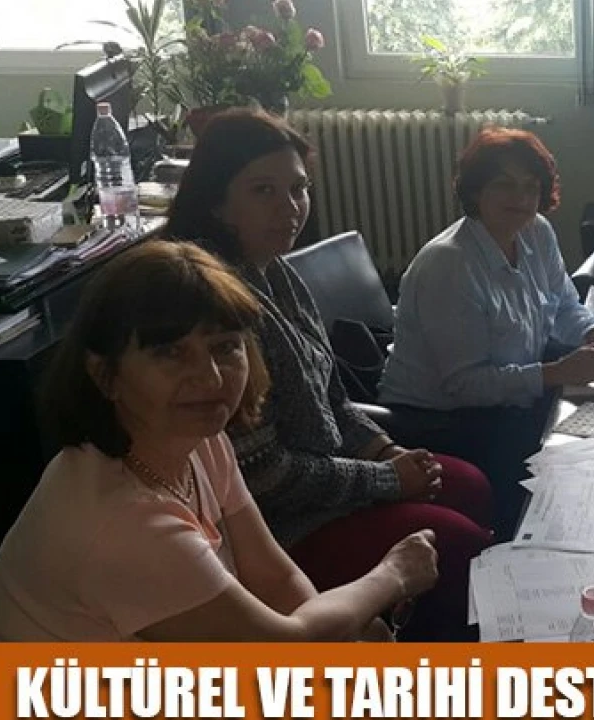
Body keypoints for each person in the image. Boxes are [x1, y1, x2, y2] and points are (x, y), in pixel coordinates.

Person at [0, 242, 436, 641]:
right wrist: (392, 576)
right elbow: (287, 647)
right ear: (105, 374)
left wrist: (343, 639)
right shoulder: (126, 526)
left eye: (225, 347)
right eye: (170, 353)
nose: (210, 379)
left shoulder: (198, 437)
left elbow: (276, 580)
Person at [164, 109, 491, 641]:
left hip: (330, 478)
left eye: (298, 189)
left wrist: (386, 451)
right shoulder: (213, 303)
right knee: (459, 546)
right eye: (263, 191)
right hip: (277, 526)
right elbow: (264, 476)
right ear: (218, 201)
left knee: (468, 485)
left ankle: (411, 628)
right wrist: (386, 480)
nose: (290, 208)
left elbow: (333, 398)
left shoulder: (278, 272)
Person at [377, 127, 594, 533]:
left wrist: (593, 334)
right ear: (475, 190)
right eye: (505, 185)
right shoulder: (450, 264)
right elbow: (465, 385)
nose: (521, 198)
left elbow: (564, 304)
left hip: (511, 396)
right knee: (572, 467)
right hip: (441, 420)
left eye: (531, 187)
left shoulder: (536, 231)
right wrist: (557, 372)